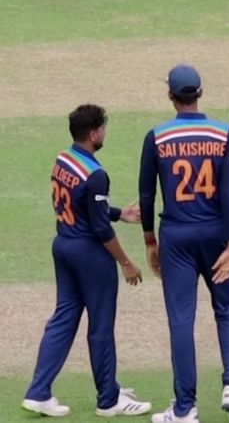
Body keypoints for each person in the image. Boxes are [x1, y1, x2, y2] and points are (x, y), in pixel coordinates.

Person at [22, 104, 151, 418]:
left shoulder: (62, 160)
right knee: (101, 326)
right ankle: (108, 400)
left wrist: (120, 212)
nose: (105, 132)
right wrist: (126, 262)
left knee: (63, 319)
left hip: (63, 245)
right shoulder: (95, 174)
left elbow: (86, 208)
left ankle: (39, 392)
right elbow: (99, 227)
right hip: (89, 255)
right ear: (94, 133)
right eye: (103, 128)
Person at [139, 65, 229, 422]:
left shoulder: (156, 136)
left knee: (181, 320)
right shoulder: (222, 133)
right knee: (228, 307)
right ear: (200, 92)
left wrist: (149, 240)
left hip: (176, 238)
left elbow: (146, 195)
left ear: (171, 96)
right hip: (215, 233)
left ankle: (185, 407)